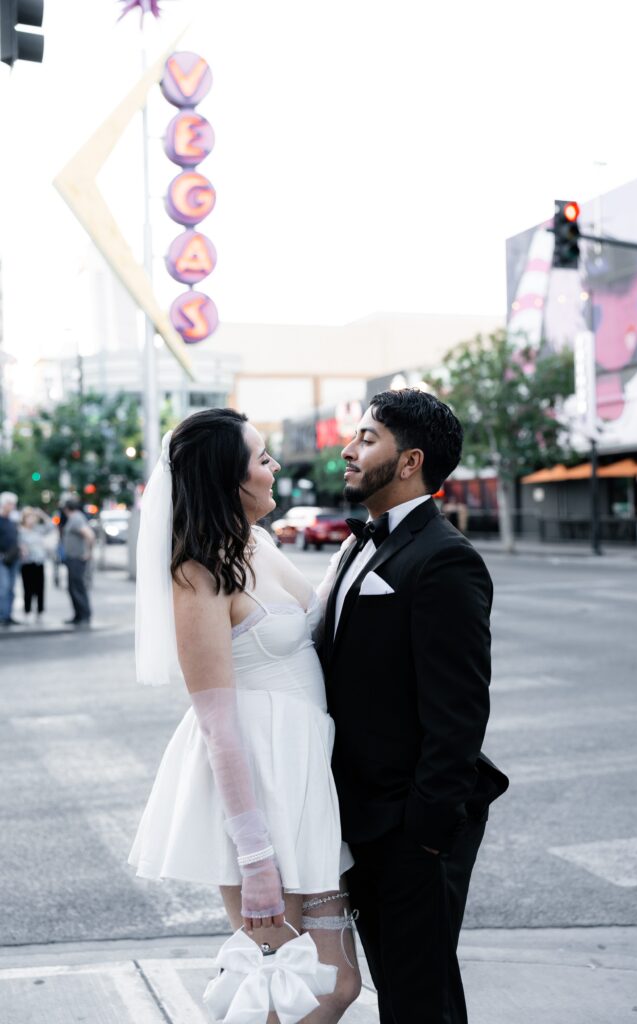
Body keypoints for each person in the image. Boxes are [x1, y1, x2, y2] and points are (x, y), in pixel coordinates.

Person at [129, 408, 361, 1023]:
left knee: (335, 983)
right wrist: (255, 857)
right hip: (258, 788)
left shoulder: (257, 542)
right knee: (286, 985)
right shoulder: (196, 574)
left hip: (306, 779)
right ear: (227, 479)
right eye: (261, 458)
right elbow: (214, 722)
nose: (275, 466)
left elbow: (319, 612)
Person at [319, 389, 509, 1024]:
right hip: (362, 817)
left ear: (410, 461)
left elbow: (458, 712)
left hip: (409, 830)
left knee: (420, 1000)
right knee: (401, 995)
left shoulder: (446, 559)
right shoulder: (358, 545)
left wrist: (424, 836)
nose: (348, 449)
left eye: (367, 438)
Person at [62, 499, 95, 626]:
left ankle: (84, 615)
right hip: (73, 558)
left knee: (77, 587)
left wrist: (88, 552)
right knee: (73, 587)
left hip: (77, 558)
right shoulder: (77, 518)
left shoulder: (76, 519)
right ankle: (78, 615)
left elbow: (89, 535)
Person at [19, 507, 55, 622]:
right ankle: (27, 610)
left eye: (33, 517)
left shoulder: (38, 529)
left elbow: (51, 526)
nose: (31, 520)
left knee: (40, 588)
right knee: (27, 588)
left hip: (39, 562)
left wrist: (42, 514)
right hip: (27, 562)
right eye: (29, 517)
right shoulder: (20, 531)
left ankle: (40, 611)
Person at [0, 491, 20, 626]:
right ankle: (2, 615)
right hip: (2, 558)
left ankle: (8, 615)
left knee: (11, 588)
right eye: (11, 504)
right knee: (4, 587)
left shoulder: (12, 521)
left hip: (14, 558)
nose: (13, 506)